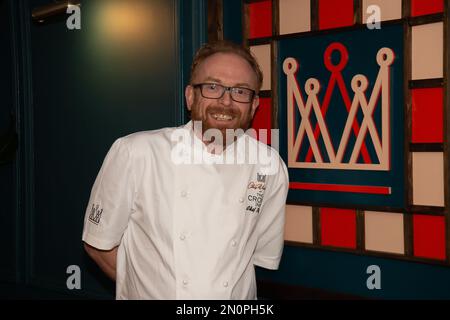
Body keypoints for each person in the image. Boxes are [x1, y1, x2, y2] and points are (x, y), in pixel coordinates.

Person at [82, 40, 289, 300]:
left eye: (240, 91)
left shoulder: (269, 166)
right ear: (191, 96)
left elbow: (258, 254)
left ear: (254, 104)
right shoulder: (136, 152)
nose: (226, 101)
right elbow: (98, 245)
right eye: (212, 87)